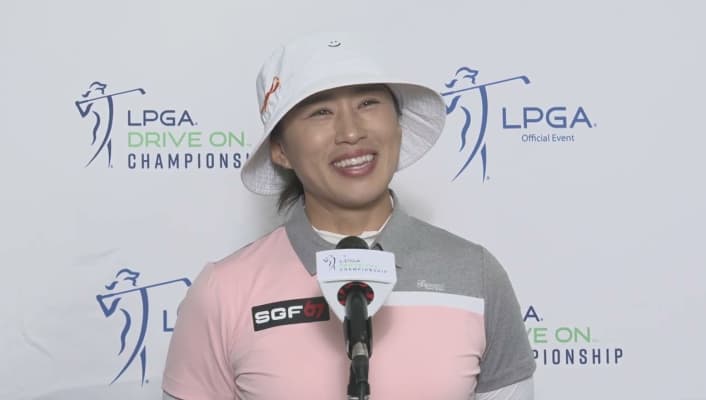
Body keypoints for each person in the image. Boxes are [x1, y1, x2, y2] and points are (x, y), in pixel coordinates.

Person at [162, 32, 535, 400]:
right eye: (321, 112)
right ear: (280, 151)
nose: (351, 132)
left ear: (398, 126)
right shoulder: (223, 291)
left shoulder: (476, 275)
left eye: (368, 103)